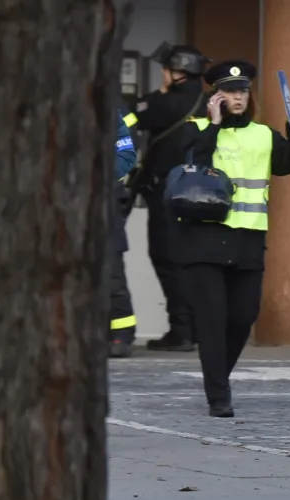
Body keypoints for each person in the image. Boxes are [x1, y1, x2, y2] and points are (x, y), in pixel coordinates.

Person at [176, 60, 290, 417]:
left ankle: (219, 377)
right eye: (230, 91)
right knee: (211, 318)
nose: (237, 96)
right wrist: (214, 126)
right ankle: (219, 396)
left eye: (242, 90)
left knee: (242, 317)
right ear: (215, 95)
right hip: (204, 239)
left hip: (247, 239)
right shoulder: (197, 128)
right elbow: (192, 161)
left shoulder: (263, 135)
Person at [127, 44, 210, 352]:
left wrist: (159, 93)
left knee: (167, 260)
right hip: (201, 196)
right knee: (192, 263)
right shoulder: (206, 102)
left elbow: (133, 118)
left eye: (166, 69)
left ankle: (181, 330)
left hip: (167, 194)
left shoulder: (166, 103)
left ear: (176, 72)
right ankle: (196, 328)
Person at [109, 108, 139, 357]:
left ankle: (121, 334)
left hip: (103, 203)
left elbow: (126, 155)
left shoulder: (109, 110)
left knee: (111, 273)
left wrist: (94, 176)